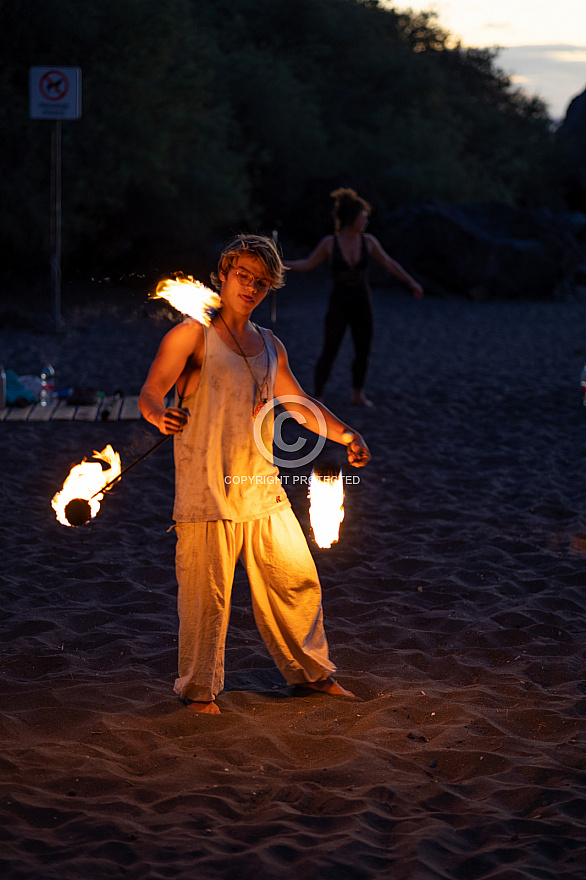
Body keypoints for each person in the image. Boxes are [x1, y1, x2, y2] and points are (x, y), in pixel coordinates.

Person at [139, 233, 370, 714]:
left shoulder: (269, 344)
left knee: (297, 581)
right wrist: (160, 414)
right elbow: (151, 391)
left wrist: (346, 435)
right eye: (242, 276)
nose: (250, 287)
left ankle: (311, 676)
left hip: (263, 490)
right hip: (206, 496)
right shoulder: (190, 335)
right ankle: (199, 693)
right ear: (223, 275)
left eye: (261, 282)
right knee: (206, 605)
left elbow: (299, 406)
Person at [285, 187, 423, 407]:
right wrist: (280, 265)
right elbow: (307, 264)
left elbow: (389, 263)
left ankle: (357, 393)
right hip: (339, 301)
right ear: (351, 219)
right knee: (330, 346)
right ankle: (318, 394)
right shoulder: (330, 243)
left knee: (363, 348)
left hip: (361, 301)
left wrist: (411, 282)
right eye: (363, 217)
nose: (365, 221)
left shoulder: (369, 242)